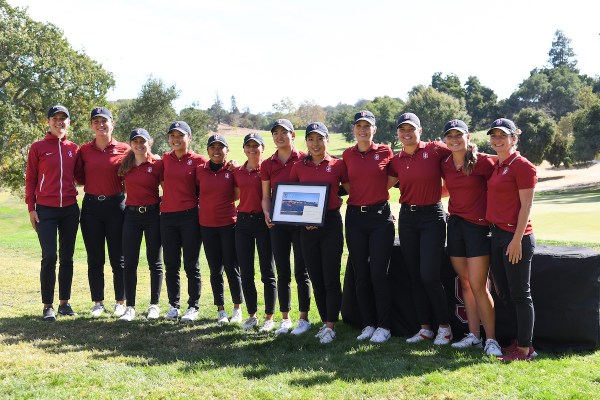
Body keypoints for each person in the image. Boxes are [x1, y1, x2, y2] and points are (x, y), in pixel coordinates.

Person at [388, 112, 453, 345]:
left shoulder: (435, 150)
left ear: (420, 131)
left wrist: (442, 192)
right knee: (415, 276)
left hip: (432, 217)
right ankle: (425, 328)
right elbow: (381, 185)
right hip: (407, 218)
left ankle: (445, 327)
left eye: (411, 129)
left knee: (429, 275)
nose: (407, 133)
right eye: (402, 130)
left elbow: (460, 156)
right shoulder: (395, 160)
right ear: (398, 133)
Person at [440, 119, 502, 356]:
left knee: (478, 286)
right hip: (455, 226)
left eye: (459, 135)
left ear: (468, 137)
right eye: (450, 136)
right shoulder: (444, 162)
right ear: (445, 139)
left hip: (478, 228)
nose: (454, 140)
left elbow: (507, 168)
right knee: (465, 282)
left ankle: (492, 339)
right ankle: (474, 336)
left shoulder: (485, 161)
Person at [288, 122, 349, 344]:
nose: (315, 144)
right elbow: (292, 197)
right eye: (311, 139)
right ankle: (324, 321)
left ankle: (331, 326)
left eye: (319, 139)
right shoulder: (298, 166)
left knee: (331, 276)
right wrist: (305, 219)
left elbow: (351, 189)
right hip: (307, 228)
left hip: (331, 224)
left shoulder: (338, 165)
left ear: (327, 140)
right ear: (306, 142)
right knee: (316, 277)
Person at [486, 118, 537, 361]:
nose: (497, 140)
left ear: (514, 139)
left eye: (502, 136)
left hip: (515, 236)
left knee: (520, 294)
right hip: (496, 234)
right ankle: (518, 341)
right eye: (493, 136)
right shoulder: (497, 165)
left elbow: (526, 206)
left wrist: (516, 240)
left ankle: (525, 350)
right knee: (503, 291)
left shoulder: (523, 166)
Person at [342, 110, 396, 343]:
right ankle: (368, 323)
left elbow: (392, 179)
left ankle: (384, 325)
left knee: (378, 273)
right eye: (359, 126)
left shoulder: (385, 151)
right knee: (361, 274)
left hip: (379, 218)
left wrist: (375, 193)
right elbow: (345, 182)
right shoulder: (347, 154)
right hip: (354, 218)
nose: (363, 130)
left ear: (374, 129)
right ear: (354, 129)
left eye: (367, 126)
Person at [25, 105, 81, 321]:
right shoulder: (38, 147)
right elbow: (30, 179)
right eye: (55, 118)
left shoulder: (74, 149)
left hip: (69, 209)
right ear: (48, 121)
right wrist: (31, 208)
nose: (59, 122)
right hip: (45, 210)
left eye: (63, 119)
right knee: (49, 256)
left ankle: (64, 304)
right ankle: (47, 305)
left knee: (67, 257)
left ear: (68, 122)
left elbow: (82, 176)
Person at [261, 119, 312, 335]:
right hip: (279, 224)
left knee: (302, 272)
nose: (280, 136)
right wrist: (266, 212)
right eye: (276, 133)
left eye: (284, 132)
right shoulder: (267, 164)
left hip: (301, 224)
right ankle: (285, 318)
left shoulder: (304, 159)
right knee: (282, 271)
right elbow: (266, 197)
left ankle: (303, 318)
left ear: (293, 135)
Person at [77, 107, 129, 317]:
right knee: (95, 258)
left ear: (112, 123)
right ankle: (98, 302)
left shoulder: (125, 149)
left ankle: (120, 301)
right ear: (91, 125)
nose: (100, 125)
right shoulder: (84, 150)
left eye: (104, 121)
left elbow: (143, 165)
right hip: (91, 208)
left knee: (119, 258)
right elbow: (79, 178)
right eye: (96, 121)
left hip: (116, 206)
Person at [160, 121, 205, 322]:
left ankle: (193, 306)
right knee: (171, 263)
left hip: (189, 217)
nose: (176, 140)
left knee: (191, 264)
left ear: (189, 138)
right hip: (168, 217)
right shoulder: (164, 159)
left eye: (180, 136)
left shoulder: (198, 160)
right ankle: (173, 305)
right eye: (173, 136)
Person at [117, 128, 163, 322]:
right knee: (129, 262)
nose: (139, 144)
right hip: (132, 217)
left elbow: (167, 188)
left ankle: (154, 305)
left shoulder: (158, 164)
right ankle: (130, 307)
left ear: (149, 143)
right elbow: (122, 188)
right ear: (131, 144)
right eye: (135, 141)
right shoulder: (125, 165)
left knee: (155, 261)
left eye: (142, 141)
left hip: (153, 215)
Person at [196, 134, 244, 324]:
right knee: (215, 269)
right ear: (208, 150)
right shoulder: (200, 170)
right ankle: (221, 309)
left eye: (220, 147)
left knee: (232, 268)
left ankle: (237, 308)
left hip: (228, 225)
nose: (216, 151)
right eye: (212, 147)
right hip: (207, 226)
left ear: (227, 150)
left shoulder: (232, 170)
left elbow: (237, 194)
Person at [233, 133, 277, 331]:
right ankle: (252, 315)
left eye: (256, 146)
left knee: (267, 272)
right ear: (244, 148)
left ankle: (269, 317)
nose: (252, 149)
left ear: (263, 148)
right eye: (248, 145)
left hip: (263, 223)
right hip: (242, 223)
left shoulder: (268, 169)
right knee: (246, 272)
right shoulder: (237, 171)